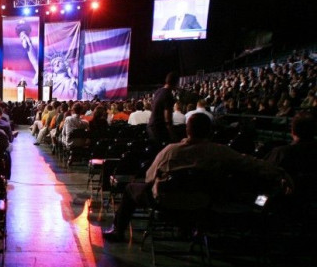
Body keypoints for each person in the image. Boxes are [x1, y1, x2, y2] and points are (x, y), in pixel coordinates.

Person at [102, 113, 292, 242]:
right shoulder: (219, 152)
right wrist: (281, 172)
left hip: (165, 201)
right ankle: (189, 228)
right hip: (202, 202)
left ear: (187, 130)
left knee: (130, 189)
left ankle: (119, 231)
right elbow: (250, 163)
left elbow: (150, 177)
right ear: (209, 131)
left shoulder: (170, 151)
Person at [148, 71, 179, 144]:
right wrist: (173, 135)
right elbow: (167, 119)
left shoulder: (158, 91)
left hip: (151, 127)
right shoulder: (168, 95)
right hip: (159, 129)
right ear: (175, 83)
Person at [16, 21, 39, 85]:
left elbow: (26, 44)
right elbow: (25, 45)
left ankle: (36, 80)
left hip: (32, 54)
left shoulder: (26, 38)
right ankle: (36, 80)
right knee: (36, 65)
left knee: (36, 65)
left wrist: (26, 40)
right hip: (31, 55)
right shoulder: (24, 38)